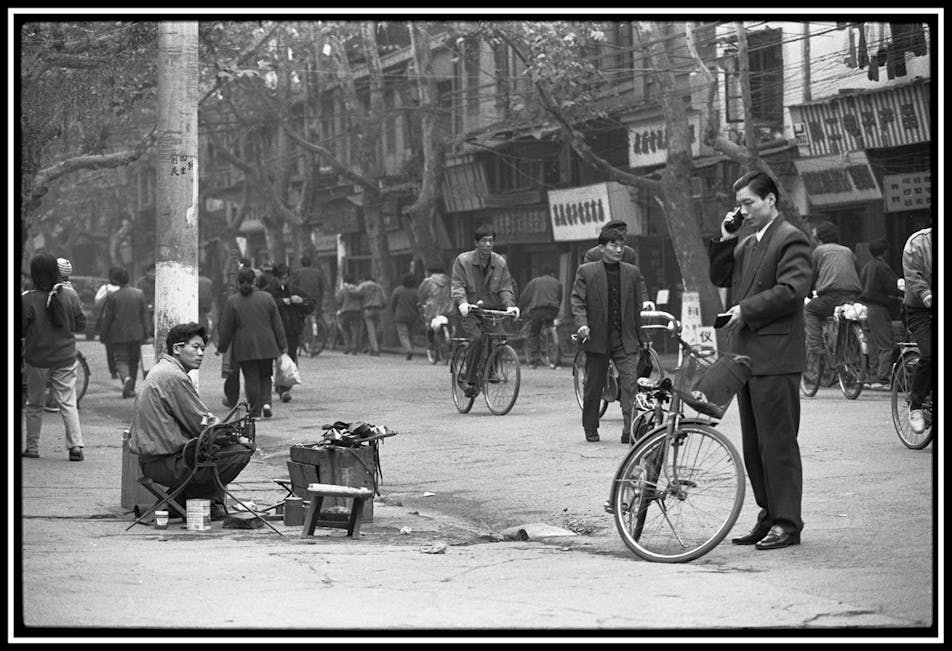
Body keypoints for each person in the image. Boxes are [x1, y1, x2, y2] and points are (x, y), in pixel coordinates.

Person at [708, 171, 812, 551]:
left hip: (777, 357)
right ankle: (768, 515)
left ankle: (787, 523)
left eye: (748, 203)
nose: (743, 211)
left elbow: (792, 290)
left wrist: (746, 310)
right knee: (755, 447)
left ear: (771, 200)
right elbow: (720, 275)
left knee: (778, 444)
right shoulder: (748, 243)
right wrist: (726, 236)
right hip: (748, 357)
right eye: (739, 205)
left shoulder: (790, 238)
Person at [128, 322, 254, 521]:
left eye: (203, 349)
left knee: (215, 446)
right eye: (195, 347)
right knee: (239, 452)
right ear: (177, 348)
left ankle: (192, 502)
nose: (201, 353)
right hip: (164, 462)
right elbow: (201, 423)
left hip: (156, 459)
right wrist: (236, 438)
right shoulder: (173, 377)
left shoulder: (164, 370)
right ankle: (190, 501)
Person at [571, 228, 652, 444]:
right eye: (613, 245)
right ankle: (590, 426)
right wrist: (582, 325)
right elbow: (578, 302)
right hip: (597, 337)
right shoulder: (587, 272)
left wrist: (642, 336)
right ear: (601, 248)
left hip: (624, 338)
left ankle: (630, 430)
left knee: (630, 383)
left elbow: (636, 308)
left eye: (621, 246)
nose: (618, 250)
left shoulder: (632, 273)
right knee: (594, 385)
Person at [21, 253, 87, 461]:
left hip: (37, 359)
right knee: (68, 402)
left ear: (34, 274)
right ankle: (76, 446)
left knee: (34, 404)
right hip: (65, 357)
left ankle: (32, 448)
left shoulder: (27, 299)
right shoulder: (70, 295)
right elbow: (81, 324)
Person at [451, 225, 519, 397]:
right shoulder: (463, 261)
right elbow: (458, 285)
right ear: (476, 243)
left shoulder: (500, 262)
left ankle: (491, 370)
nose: (488, 244)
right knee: (477, 338)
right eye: (484, 241)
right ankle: (469, 378)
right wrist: (462, 303)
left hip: (491, 310)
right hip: (470, 310)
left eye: (491, 241)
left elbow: (505, 287)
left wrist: (510, 305)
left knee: (500, 337)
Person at [216, 267, 288, 419]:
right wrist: (283, 345)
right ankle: (267, 403)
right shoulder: (267, 298)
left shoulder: (232, 301)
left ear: (238, 283)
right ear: (254, 281)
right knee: (266, 375)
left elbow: (226, 328)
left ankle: (255, 412)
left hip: (244, 346)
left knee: (251, 378)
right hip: (267, 343)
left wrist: (222, 347)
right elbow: (277, 324)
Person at [803, 220, 862, 381]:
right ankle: (849, 357)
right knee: (844, 323)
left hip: (830, 296)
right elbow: (857, 272)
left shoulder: (819, 251)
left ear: (820, 238)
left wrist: (808, 293)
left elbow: (812, 274)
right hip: (852, 296)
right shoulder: (848, 251)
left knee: (810, 310)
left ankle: (816, 347)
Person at [266, 263, 315, 402]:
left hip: (291, 330)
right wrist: (282, 302)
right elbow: (265, 305)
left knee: (289, 360)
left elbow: (311, 303)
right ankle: (273, 385)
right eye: (281, 278)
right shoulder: (268, 292)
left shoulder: (294, 290)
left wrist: (301, 301)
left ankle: (283, 388)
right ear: (275, 278)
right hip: (272, 331)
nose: (284, 281)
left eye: (286, 278)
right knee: (272, 360)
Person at [99, 267, 150, 399]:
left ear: (116, 280)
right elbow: (144, 316)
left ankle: (126, 378)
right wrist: (147, 333)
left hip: (118, 334)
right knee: (134, 361)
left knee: (121, 359)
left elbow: (108, 318)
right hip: (136, 334)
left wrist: (103, 335)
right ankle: (131, 388)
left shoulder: (112, 296)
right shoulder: (139, 294)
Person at [901, 227, 933, 434]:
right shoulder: (918, 243)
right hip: (920, 308)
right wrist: (927, 295)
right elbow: (913, 276)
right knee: (930, 354)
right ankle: (916, 405)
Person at [859, 238, 902, 388]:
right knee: (885, 346)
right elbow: (893, 286)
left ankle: (873, 378)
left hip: (865, 309)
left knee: (872, 346)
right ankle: (883, 378)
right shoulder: (882, 267)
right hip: (879, 309)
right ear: (885, 252)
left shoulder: (866, 266)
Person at [518, 267, 564, 368]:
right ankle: (557, 360)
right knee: (552, 328)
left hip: (537, 311)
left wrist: (519, 309)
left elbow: (524, 297)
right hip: (552, 310)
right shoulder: (558, 283)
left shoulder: (534, 282)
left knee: (534, 333)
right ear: (552, 274)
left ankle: (533, 361)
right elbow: (560, 297)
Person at [418, 264, 456, 349]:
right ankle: (450, 339)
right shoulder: (449, 280)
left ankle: (431, 342)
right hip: (448, 306)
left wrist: (420, 303)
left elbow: (421, 293)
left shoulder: (428, 281)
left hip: (432, 307)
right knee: (450, 322)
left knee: (429, 324)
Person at [95, 267, 123, 379]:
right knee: (110, 348)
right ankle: (113, 371)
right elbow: (97, 303)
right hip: (108, 322)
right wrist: (106, 295)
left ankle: (121, 368)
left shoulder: (124, 288)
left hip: (121, 322)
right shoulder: (105, 288)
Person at [391, 272, 419, 360]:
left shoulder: (398, 290)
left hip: (400, 315)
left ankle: (408, 350)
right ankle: (411, 348)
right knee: (411, 334)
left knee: (403, 335)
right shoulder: (416, 292)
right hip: (412, 316)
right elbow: (418, 304)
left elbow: (393, 303)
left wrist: (394, 312)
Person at [356, 274, 387, 356]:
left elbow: (356, 294)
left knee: (371, 331)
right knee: (377, 330)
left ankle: (375, 350)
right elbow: (384, 300)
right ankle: (374, 348)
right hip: (377, 309)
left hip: (367, 309)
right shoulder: (379, 287)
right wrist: (382, 307)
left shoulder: (363, 285)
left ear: (365, 279)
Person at [335, 274, 363, 355]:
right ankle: (354, 349)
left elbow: (338, 300)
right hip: (357, 311)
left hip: (346, 312)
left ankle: (347, 348)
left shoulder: (343, 290)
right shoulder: (358, 289)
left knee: (345, 329)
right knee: (355, 330)